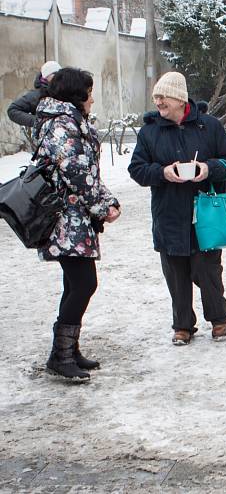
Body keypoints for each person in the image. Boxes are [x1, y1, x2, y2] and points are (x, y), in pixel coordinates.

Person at [128, 72, 226, 345]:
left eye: (163, 96)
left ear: (179, 99)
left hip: (206, 211)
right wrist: (162, 172)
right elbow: (137, 169)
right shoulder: (149, 131)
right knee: (175, 270)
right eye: (156, 96)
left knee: (207, 268)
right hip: (168, 212)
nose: (158, 101)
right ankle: (182, 326)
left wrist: (208, 168)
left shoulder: (209, 126)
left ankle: (219, 319)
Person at [34, 67, 120, 380]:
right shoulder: (61, 124)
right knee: (84, 283)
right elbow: (76, 173)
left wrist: (106, 201)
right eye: (89, 92)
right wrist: (102, 206)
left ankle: (69, 349)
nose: (92, 99)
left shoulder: (68, 121)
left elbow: (86, 173)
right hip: (63, 218)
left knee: (75, 283)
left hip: (73, 216)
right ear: (76, 95)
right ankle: (61, 354)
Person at [7, 61, 61, 129]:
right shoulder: (36, 95)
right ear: (46, 77)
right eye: (55, 75)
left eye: (60, 75)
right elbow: (12, 110)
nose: (58, 79)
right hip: (44, 137)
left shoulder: (66, 91)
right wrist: (37, 122)